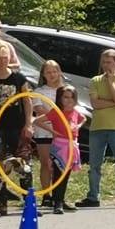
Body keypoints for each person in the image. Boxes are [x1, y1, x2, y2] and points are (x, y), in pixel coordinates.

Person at [78, 47, 115, 210]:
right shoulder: (95, 81)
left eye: (109, 62)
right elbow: (95, 104)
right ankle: (93, 196)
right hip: (97, 128)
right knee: (94, 164)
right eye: (103, 62)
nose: (105, 65)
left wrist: (111, 83)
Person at [0, 45, 30, 218]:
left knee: (23, 163)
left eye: (5, 57)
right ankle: (2, 204)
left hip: (16, 126)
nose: (2, 60)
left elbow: (27, 101)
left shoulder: (18, 78)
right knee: (1, 165)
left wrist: (28, 124)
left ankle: (29, 201)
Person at [30, 59, 71, 197]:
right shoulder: (39, 91)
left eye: (54, 71)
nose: (52, 75)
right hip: (44, 131)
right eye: (48, 72)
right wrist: (55, 118)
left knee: (60, 165)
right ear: (43, 75)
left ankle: (58, 196)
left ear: (59, 72)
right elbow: (40, 110)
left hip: (62, 133)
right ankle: (46, 195)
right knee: (45, 163)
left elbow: (71, 110)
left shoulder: (66, 90)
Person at [45, 85, 83, 214]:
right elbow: (37, 121)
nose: (69, 100)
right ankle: (57, 203)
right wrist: (53, 131)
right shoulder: (56, 112)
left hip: (72, 146)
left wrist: (78, 125)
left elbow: (84, 118)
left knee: (65, 175)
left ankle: (61, 200)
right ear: (60, 98)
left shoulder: (76, 112)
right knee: (58, 174)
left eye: (72, 97)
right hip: (60, 146)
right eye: (66, 97)